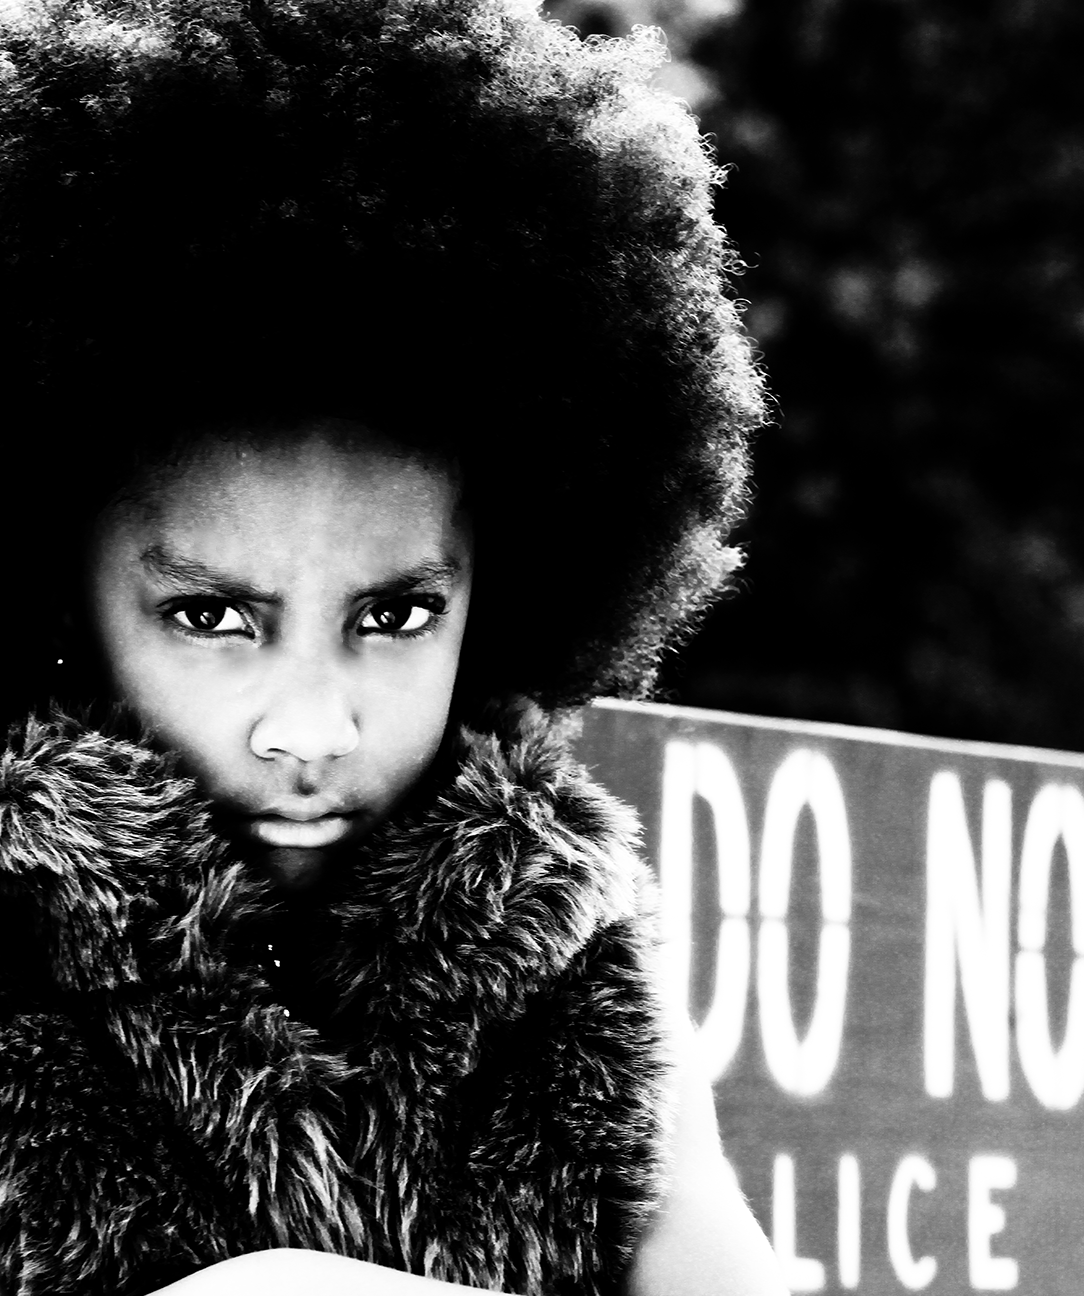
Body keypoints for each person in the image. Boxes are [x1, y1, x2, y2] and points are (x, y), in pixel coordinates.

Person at [0, 0, 783, 1293]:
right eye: (210, 617)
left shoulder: (571, 961)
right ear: (54, 579)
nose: (310, 725)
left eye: (395, 614)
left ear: (510, 581)